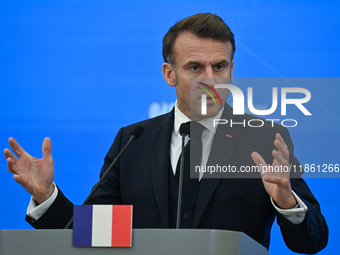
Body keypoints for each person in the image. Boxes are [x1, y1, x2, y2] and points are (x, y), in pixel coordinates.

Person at [4, 13, 328, 253]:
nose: (211, 79)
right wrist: (47, 197)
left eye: (220, 66)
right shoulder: (133, 141)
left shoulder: (263, 138)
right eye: (195, 67)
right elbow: (93, 235)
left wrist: (287, 202)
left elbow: (313, 240)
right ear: (169, 74)